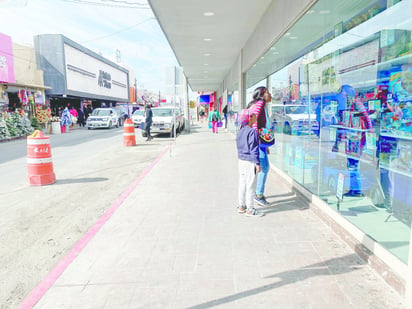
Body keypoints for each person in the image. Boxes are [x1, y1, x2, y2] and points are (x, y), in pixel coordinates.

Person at [236, 105, 264, 217]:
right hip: (250, 162)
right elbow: (253, 149)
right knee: (251, 185)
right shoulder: (252, 132)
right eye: (253, 115)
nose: (255, 116)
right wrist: (257, 163)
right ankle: (250, 209)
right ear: (249, 118)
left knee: (242, 183)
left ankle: (241, 206)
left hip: (241, 161)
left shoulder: (240, 131)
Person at [248, 86, 272, 206]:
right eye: (268, 92)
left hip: (261, 142)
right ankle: (258, 195)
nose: (270, 94)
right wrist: (257, 138)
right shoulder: (260, 103)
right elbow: (254, 121)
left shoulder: (261, 104)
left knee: (261, 167)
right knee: (264, 167)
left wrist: (265, 144)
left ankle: (256, 193)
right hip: (258, 142)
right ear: (262, 94)